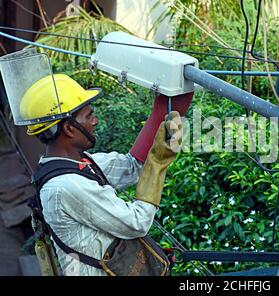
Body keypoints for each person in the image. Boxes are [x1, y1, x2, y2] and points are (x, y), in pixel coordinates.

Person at [20, 73, 193, 276]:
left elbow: (132, 166)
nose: (95, 121)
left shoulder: (79, 164)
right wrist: (157, 164)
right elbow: (137, 222)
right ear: (68, 128)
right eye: (89, 115)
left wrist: (161, 111)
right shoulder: (65, 186)